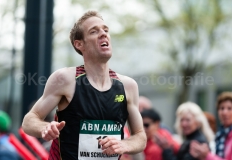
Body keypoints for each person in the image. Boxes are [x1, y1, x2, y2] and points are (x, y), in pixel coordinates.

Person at [22, 10, 146, 160]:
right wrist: (44, 127)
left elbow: (140, 136)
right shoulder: (65, 79)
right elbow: (29, 120)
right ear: (79, 44)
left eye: (105, 30)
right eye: (94, 31)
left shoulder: (128, 86)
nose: (103, 34)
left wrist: (125, 145)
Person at [190, 92, 232, 160]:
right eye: (222, 108)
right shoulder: (219, 135)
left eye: (229, 108)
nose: (225, 112)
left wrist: (207, 156)